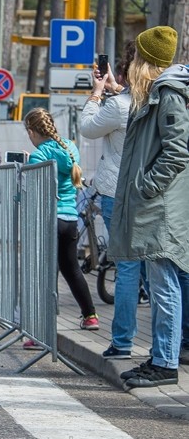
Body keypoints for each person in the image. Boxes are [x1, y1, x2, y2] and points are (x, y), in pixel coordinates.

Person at [110, 26, 189, 388]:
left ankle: (165, 362)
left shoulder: (168, 94)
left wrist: (147, 186)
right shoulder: (156, 94)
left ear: (147, 61)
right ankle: (163, 356)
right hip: (159, 205)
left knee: (163, 285)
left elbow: (177, 150)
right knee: (165, 283)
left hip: (161, 207)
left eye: (136, 57)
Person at [79, 41, 148, 359]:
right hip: (150, 191)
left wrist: (96, 92)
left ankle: (122, 342)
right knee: (158, 270)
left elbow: (87, 128)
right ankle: (170, 346)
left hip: (116, 193)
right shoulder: (155, 98)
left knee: (127, 268)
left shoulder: (118, 105)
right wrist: (114, 86)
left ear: (126, 69)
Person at [24, 108, 99, 331]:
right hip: (69, 220)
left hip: (49, 220)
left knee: (44, 275)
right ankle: (90, 315)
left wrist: (27, 167)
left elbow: (34, 190)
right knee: (71, 269)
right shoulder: (71, 148)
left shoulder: (39, 155)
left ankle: (39, 331)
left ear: (31, 131)